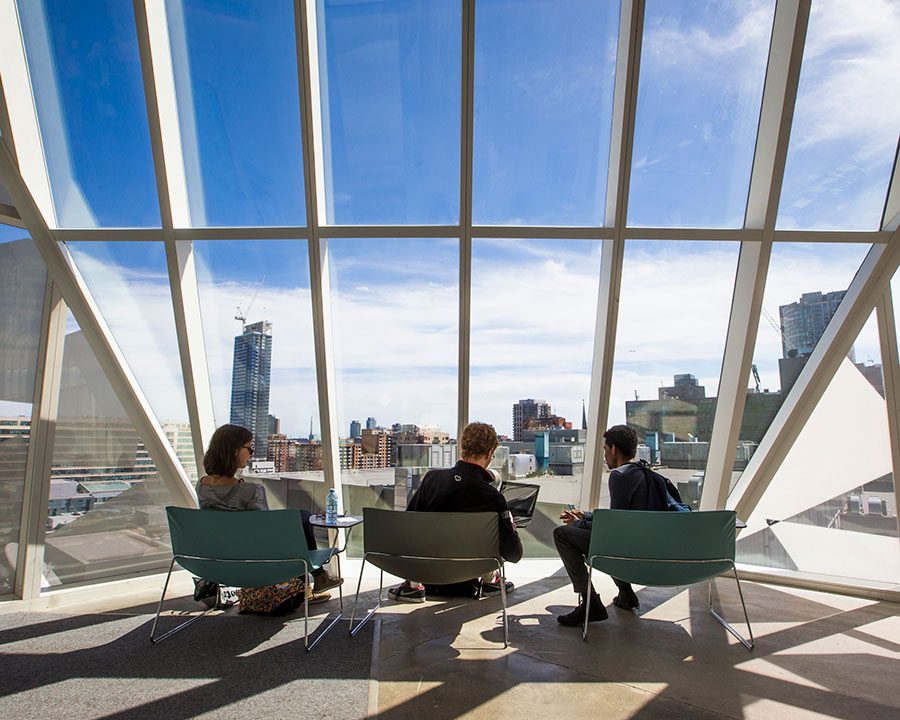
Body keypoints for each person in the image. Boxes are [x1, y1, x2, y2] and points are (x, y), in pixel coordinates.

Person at [196, 424, 342, 609]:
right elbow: (266, 536)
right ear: (234, 451)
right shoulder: (250, 490)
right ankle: (314, 580)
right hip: (255, 564)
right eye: (249, 448)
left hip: (218, 561)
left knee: (299, 518)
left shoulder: (201, 486)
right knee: (302, 518)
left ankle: (316, 579)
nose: (251, 453)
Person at [388, 422, 524, 602]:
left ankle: (412, 586)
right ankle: (490, 580)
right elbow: (514, 554)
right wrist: (510, 522)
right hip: (468, 576)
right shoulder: (493, 497)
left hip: (429, 575)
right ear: (490, 452)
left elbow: (408, 526)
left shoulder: (432, 480)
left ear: (463, 447)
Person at [553, 424, 645, 627]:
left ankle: (591, 603)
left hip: (627, 550)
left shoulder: (620, 476)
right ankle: (626, 594)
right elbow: (621, 518)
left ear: (614, 449)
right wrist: (585, 516)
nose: (605, 456)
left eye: (605, 449)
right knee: (612, 539)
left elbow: (614, 529)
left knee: (562, 534)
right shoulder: (648, 475)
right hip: (647, 548)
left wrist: (578, 524)